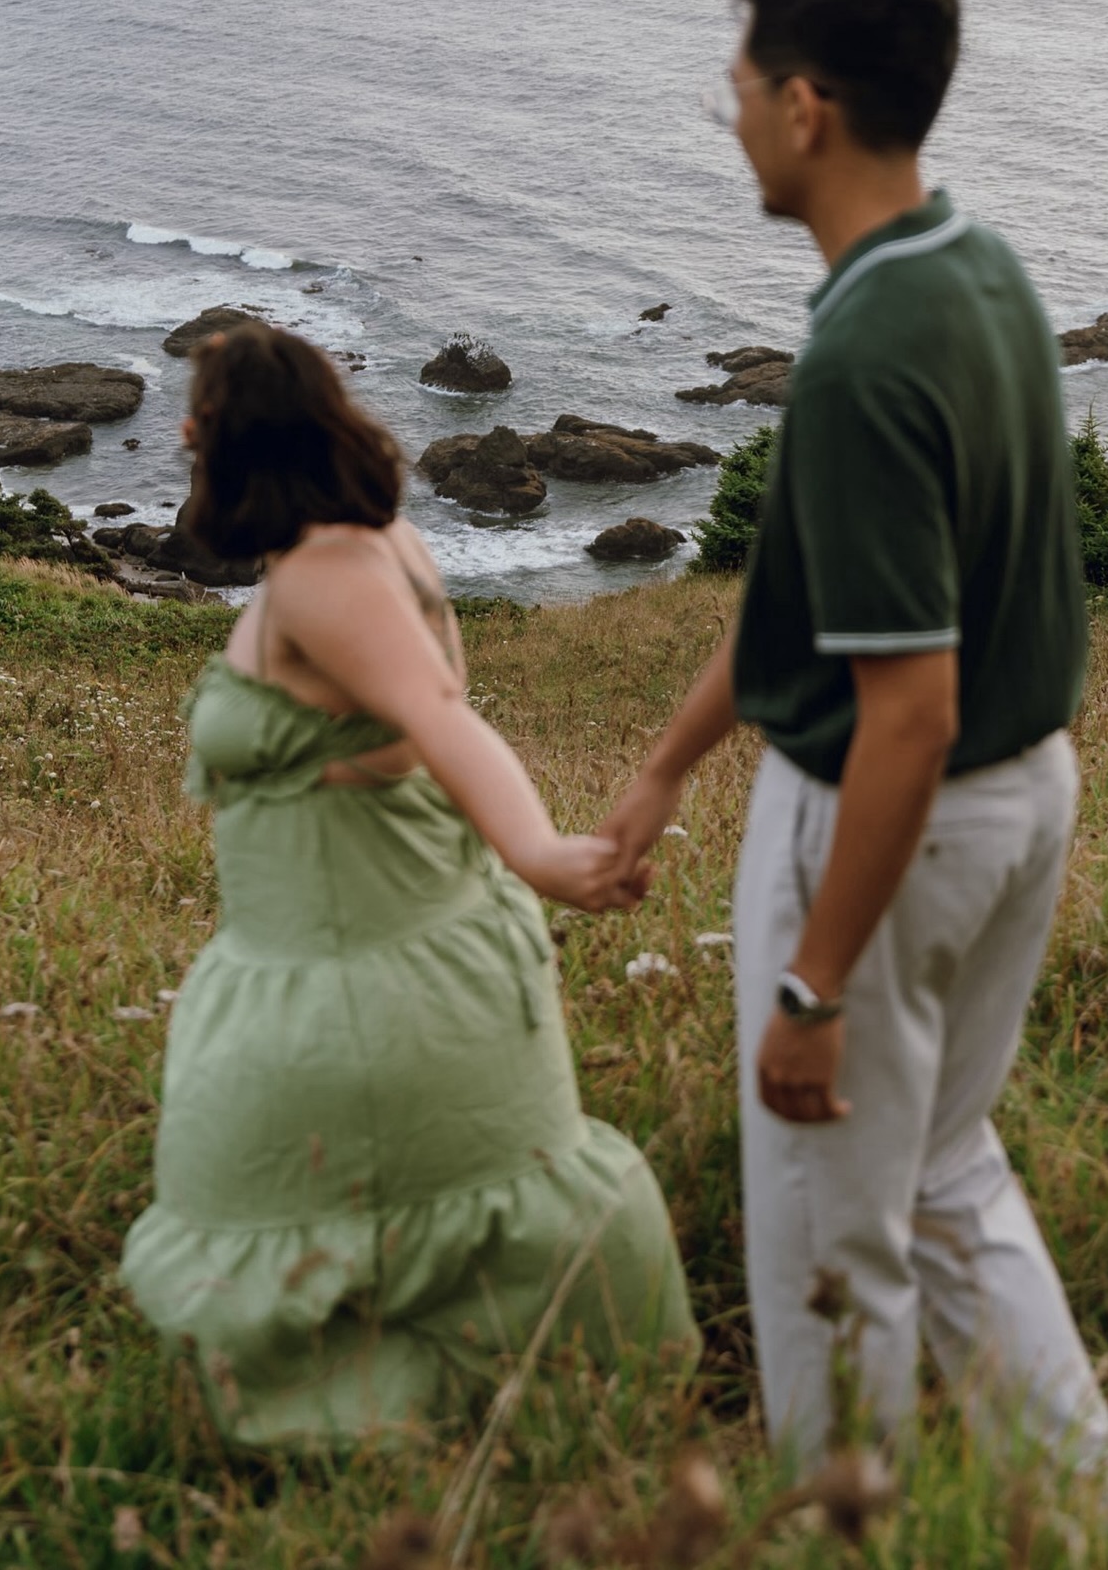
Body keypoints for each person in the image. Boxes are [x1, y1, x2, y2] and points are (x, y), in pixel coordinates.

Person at [601, 0, 1108, 1534]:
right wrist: (668, 760)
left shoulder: (853, 359)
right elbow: (812, 577)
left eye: (744, 83)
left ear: (808, 105)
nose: (736, 110)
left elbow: (907, 711)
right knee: (948, 1181)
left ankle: (849, 1541)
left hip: (890, 829)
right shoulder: (976, 268)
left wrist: (812, 985)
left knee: (831, 1248)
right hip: (1025, 801)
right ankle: (1098, 1527)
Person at [121, 323, 698, 1447]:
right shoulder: (388, 542)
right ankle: (535, 1395)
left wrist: (542, 853)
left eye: (196, 416)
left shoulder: (325, 576)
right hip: (430, 947)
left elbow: (441, 717)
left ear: (216, 437)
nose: (184, 431)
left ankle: (359, 1424)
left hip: (358, 980)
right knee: (470, 1211)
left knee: (261, 1214)